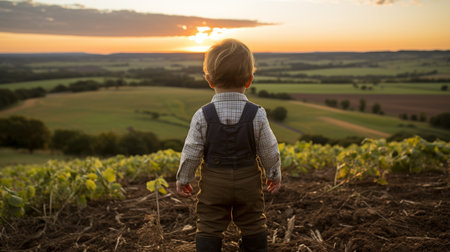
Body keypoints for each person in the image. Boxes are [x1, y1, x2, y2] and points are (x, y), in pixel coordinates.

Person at [175, 38, 281, 252]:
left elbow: (191, 151)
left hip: (214, 183)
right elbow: (269, 149)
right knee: (253, 222)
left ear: (209, 80)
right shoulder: (257, 114)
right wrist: (273, 173)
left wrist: (183, 178)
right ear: (249, 80)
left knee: (208, 225)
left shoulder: (202, 115)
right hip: (248, 181)